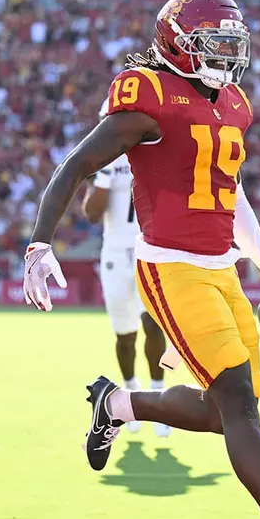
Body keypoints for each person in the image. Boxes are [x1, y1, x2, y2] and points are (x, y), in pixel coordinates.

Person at [23, 0, 260, 519]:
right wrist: (39, 243)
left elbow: (233, 195)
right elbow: (75, 164)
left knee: (226, 410)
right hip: (168, 266)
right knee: (237, 402)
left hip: (219, 267)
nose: (226, 57)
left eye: (233, 45)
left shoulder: (232, 104)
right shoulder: (147, 98)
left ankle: (115, 403)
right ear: (177, 42)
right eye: (214, 44)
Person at [82, 151, 170, 436]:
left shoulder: (159, 151)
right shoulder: (105, 156)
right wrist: (105, 175)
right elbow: (92, 213)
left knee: (153, 324)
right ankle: (130, 397)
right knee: (124, 335)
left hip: (151, 247)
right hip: (115, 252)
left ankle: (158, 399)